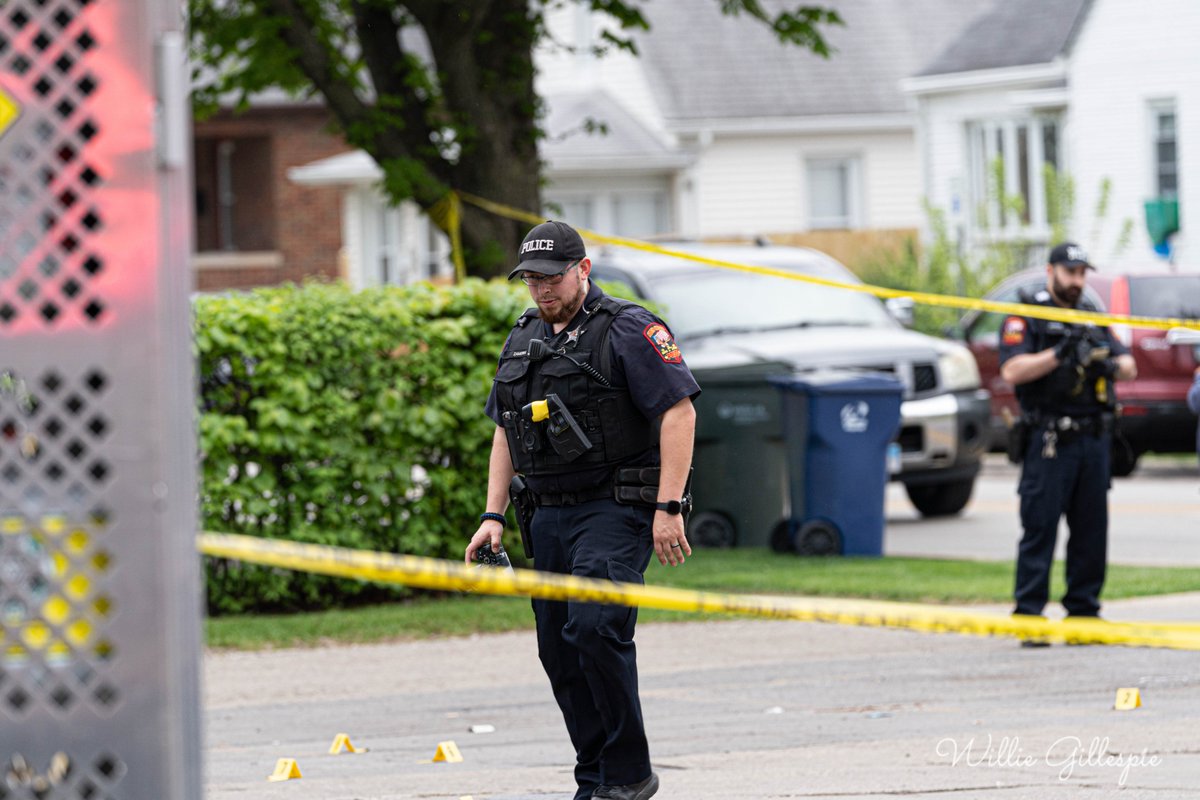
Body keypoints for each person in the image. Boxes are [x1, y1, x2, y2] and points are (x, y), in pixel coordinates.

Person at [466, 220, 700, 800]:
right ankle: (595, 777)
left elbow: (679, 412)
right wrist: (492, 515)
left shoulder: (629, 328)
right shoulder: (522, 336)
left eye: (551, 278)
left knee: (596, 627)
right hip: (546, 513)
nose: (541, 290)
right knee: (560, 649)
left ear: (583, 270)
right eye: (530, 280)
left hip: (616, 506)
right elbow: (506, 430)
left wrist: (668, 506)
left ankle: (628, 776)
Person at [998, 242, 1136, 639]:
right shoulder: (1028, 312)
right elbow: (1012, 370)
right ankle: (1029, 616)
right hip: (1049, 438)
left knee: (1092, 530)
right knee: (1039, 527)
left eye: (1081, 273)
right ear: (1051, 271)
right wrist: (1059, 355)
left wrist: (1104, 361)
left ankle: (1083, 614)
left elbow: (1129, 365)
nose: (1077, 280)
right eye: (1070, 272)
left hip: (1092, 438)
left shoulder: (1091, 315)